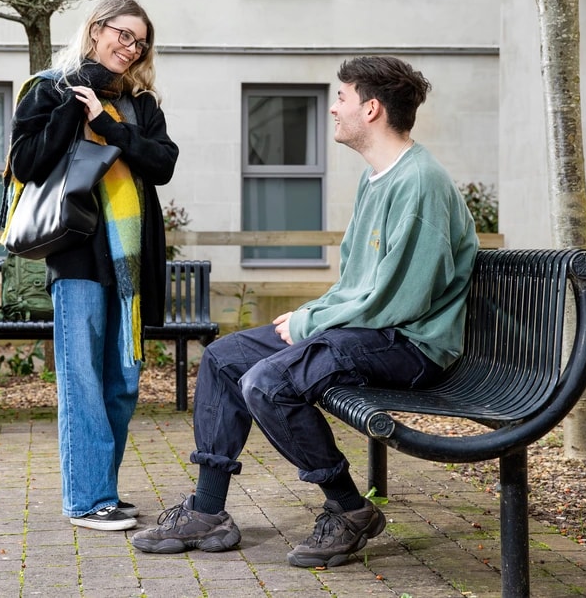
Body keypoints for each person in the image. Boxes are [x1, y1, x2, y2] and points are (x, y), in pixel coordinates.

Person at [131, 56, 479, 567]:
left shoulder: (418, 182)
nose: (334, 109)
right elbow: (357, 285)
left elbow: (402, 300)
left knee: (267, 383)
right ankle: (208, 510)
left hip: (411, 344)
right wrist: (311, 312)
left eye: (341, 97)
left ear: (373, 108)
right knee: (226, 357)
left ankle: (348, 508)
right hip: (370, 331)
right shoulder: (377, 178)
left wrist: (310, 323)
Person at [0, 0, 178, 531]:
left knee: (122, 382)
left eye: (140, 41)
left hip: (129, 263)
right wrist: (73, 110)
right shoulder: (48, 88)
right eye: (124, 35)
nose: (131, 48)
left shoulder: (140, 103)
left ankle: (104, 490)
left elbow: (163, 164)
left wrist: (112, 124)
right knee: (81, 381)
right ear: (96, 30)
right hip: (75, 257)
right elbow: (27, 163)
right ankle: (85, 500)